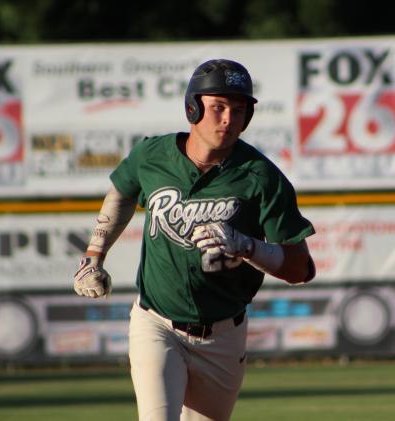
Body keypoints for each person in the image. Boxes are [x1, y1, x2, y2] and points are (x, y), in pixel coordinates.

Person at [73, 59, 316, 421]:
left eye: (238, 110)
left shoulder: (262, 177)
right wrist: (94, 255)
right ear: (192, 107)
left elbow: (301, 269)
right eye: (218, 107)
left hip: (223, 334)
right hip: (156, 322)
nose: (228, 120)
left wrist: (248, 247)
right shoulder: (152, 155)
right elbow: (122, 192)